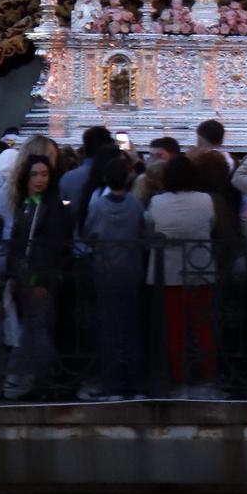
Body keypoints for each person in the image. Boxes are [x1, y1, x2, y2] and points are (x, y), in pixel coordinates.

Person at [145, 151, 217, 398]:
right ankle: (207, 377)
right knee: (202, 327)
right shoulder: (205, 200)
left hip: (169, 274)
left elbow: (150, 228)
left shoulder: (157, 203)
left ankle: (177, 378)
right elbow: (211, 225)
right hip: (199, 270)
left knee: (174, 329)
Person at [5, 155, 73, 400]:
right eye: (35, 174)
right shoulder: (28, 203)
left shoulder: (51, 206)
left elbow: (54, 247)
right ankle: (35, 377)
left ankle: (35, 378)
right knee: (33, 328)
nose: (39, 180)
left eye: (44, 174)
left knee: (36, 328)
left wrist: (43, 280)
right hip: (26, 274)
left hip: (39, 277)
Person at [83, 155, 146, 399]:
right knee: (131, 326)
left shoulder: (98, 206)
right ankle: (135, 382)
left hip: (106, 271)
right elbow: (144, 230)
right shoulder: (135, 204)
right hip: (131, 270)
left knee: (109, 327)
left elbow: (89, 234)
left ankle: (112, 384)